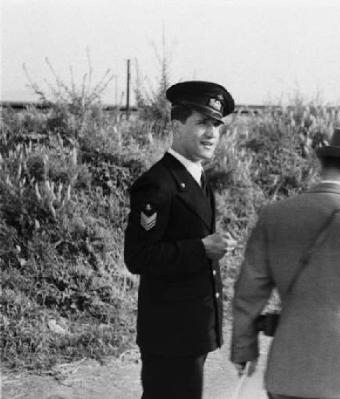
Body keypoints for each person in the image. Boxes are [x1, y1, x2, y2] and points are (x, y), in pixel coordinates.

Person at [230, 128, 340, 399]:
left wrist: (244, 349)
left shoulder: (274, 216)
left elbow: (248, 294)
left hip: (290, 370)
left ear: (323, 168)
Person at [124, 81, 238, 399]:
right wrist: (202, 248)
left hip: (191, 329)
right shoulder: (158, 184)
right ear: (177, 126)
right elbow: (138, 256)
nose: (212, 133)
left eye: (216, 124)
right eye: (202, 122)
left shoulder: (198, 177)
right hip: (169, 334)